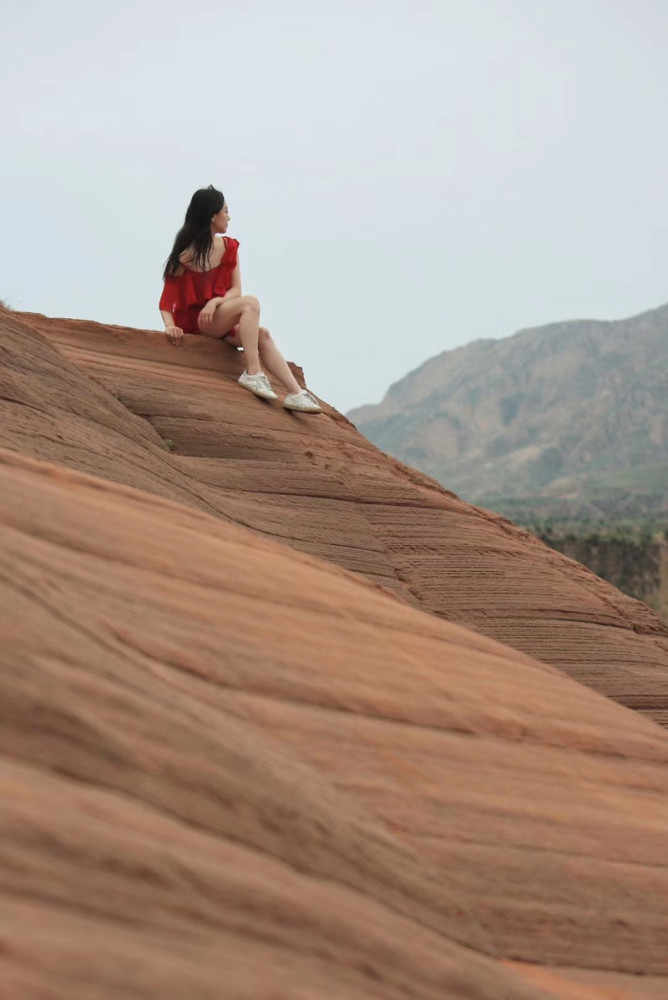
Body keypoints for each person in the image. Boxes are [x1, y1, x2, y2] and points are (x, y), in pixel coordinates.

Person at [159, 185, 322, 413]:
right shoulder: (185, 256)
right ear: (213, 215)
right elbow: (166, 302)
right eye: (226, 211)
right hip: (199, 323)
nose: (229, 217)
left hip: (219, 318)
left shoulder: (229, 247)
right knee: (251, 303)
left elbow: (235, 290)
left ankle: (296, 393)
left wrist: (215, 301)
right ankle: (253, 373)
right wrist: (170, 327)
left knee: (262, 334)